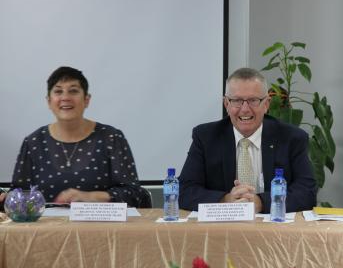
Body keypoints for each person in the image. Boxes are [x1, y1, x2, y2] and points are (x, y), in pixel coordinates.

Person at [0, 66, 150, 208]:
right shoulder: (33, 142)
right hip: (45, 232)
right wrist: (9, 199)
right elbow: (18, 195)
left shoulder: (111, 138)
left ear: (86, 99)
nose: (65, 97)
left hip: (103, 229)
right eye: (58, 92)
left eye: (73, 91)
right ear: (49, 101)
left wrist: (91, 197)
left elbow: (135, 194)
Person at [179, 67, 317, 213]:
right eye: (237, 100)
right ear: (226, 104)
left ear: (266, 104)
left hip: (274, 231)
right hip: (221, 230)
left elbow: (307, 192)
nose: (245, 109)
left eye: (253, 100)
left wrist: (261, 202)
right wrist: (225, 200)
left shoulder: (292, 138)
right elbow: (185, 191)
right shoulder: (206, 137)